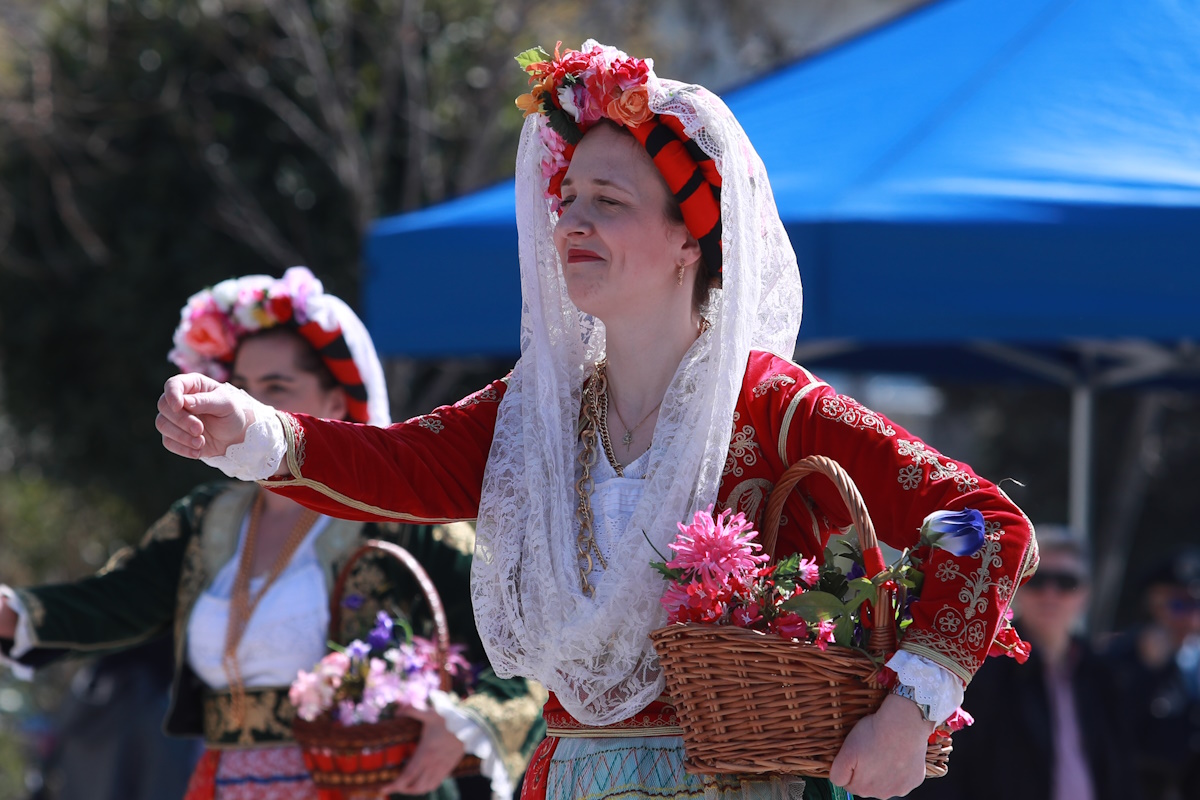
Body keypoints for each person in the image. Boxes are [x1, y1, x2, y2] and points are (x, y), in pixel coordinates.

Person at [155, 42, 1037, 800]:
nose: (571, 222)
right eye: (567, 199)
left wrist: (910, 706)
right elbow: (399, 466)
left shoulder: (775, 405)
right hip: (570, 771)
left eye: (607, 203)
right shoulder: (538, 410)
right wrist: (254, 430)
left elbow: (985, 524)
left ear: (691, 237)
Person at [1, 267, 544, 800]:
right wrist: (14, 612)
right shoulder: (208, 519)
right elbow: (116, 599)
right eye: (241, 387)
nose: (251, 405)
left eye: (277, 388)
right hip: (224, 783)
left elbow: (526, 654)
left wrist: (464, 725)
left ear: (336, 404)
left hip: (367, 788)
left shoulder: (405, 523)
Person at [907, 527, 1139, 800]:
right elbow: (949, 771)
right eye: (1038, 580)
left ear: (1085, 594)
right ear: (1016, 585)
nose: (1050, 593)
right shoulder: (980, 669)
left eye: (1066, 582)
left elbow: (1125, 767)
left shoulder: (1104, 673)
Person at [1103, 546, 1200, 800]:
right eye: (1179, 605)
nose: (1190, 619)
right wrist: (1148, 672)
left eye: (1196, 605)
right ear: (1153, 605)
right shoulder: (1120, 656)